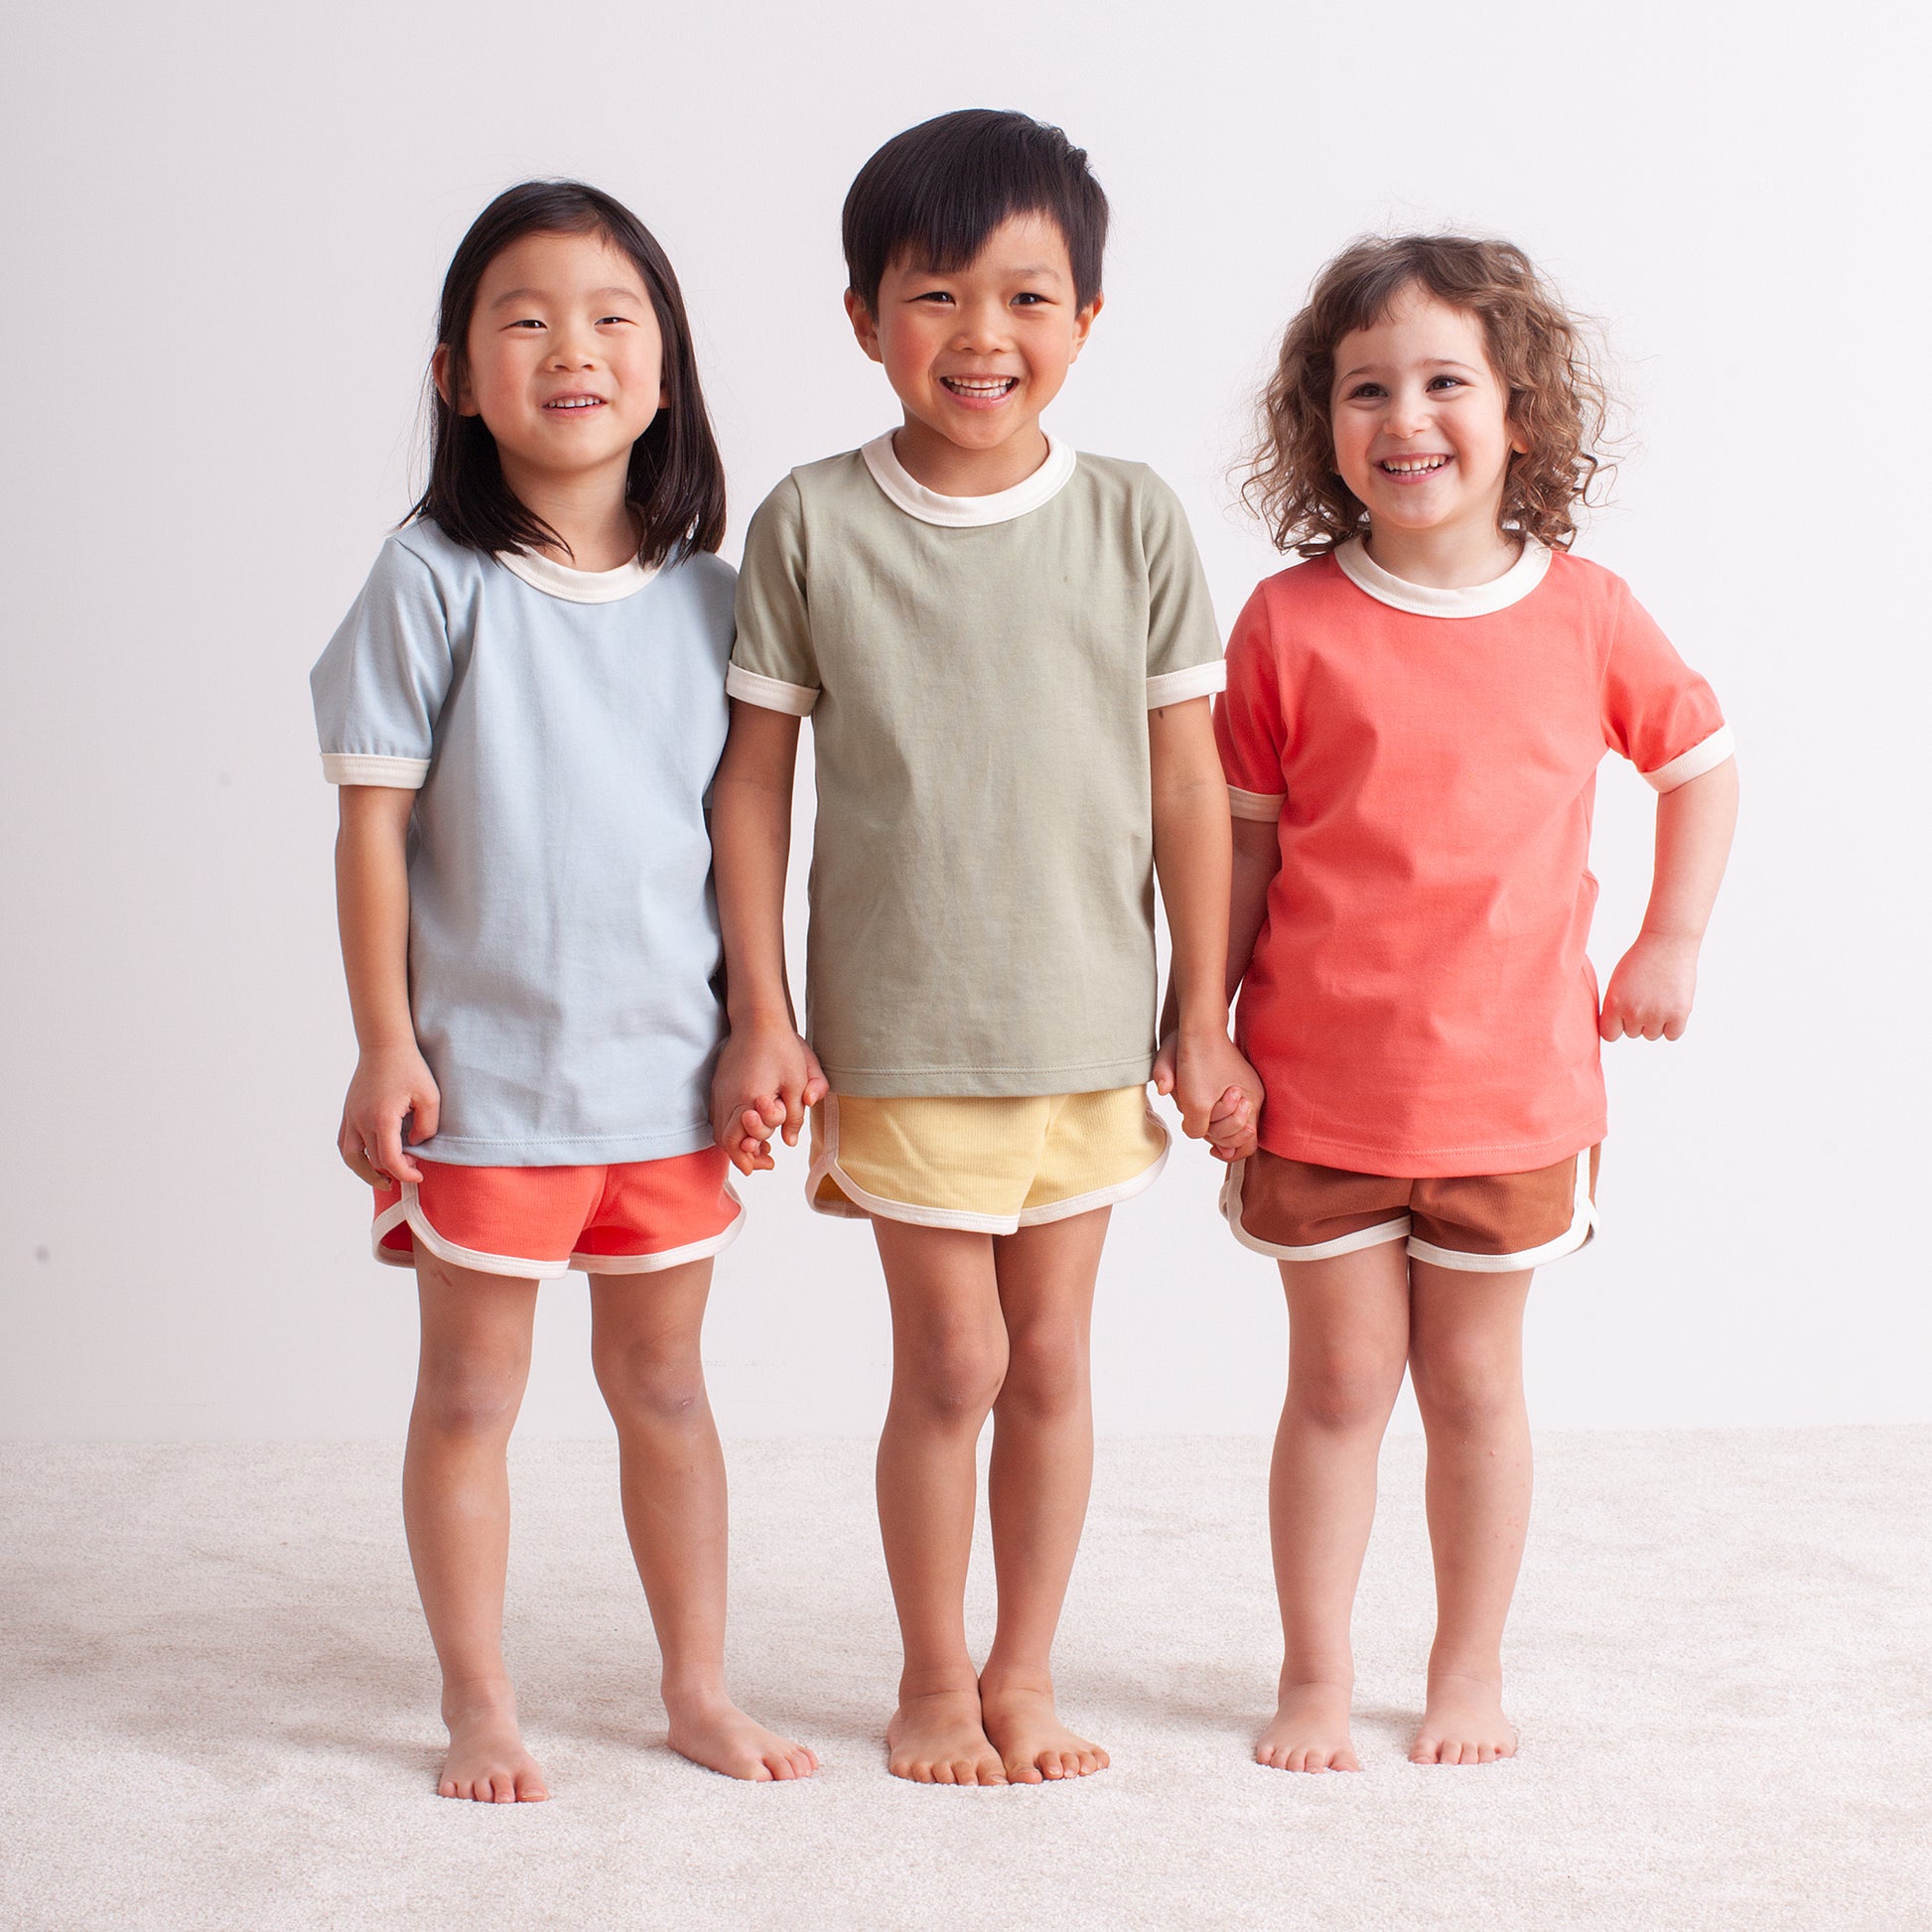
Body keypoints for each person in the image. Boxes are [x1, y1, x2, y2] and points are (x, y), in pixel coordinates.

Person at [709, 109, 1261, 1786]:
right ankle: (930, 1677)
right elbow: (753, 788)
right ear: (863, 317)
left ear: (1084, 319)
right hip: (901, 1029)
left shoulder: (1133, 518)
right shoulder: (812, 522)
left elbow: (1189, 785)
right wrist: (762, 1010)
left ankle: (1024, 1670)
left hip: (1087, 1025)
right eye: (935, 295)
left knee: (1055, 1360)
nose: (980, 335)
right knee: (953, 1359)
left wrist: (1201, 1013)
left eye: (1025, 297)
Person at [312, 181, 817, 1799]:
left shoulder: (716, 599)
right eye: (522, 320)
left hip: (664, 1079)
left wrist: (761, 1023)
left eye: (611, 319)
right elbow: (372, 826)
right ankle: (478, 1702)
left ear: (664, 371)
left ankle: (696, 1686)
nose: (571, 349)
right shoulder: (430, 577)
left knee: (665, 1386)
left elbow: (744, 841)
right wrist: (384, 1042)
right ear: (455, 375)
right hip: (486, 1085)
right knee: (470, 1394)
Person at [1215, 234, 1738, 1771]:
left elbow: (1700, 763)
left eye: (1445, 381)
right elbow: (1240, 849)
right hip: (1317, 1089)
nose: (1406, 418)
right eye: (1364, 388)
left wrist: (1669, 938)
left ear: (1518, 411)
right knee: (1336, 1382)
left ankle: (1464, 1667)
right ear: (1320, 421)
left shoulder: (1586, 612)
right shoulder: (1285, 622)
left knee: (1467, 1384)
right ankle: (1314, 1674)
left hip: (1513, 1096)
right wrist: (1199, 1024)